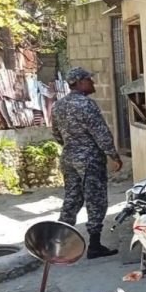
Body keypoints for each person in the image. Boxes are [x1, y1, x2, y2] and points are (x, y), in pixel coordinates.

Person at [50, 67, 122, 259]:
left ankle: (58, 245)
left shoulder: (57, 106)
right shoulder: (86, 104)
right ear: (79, 82)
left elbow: (56, 134)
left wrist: (72, 146)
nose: (93, 82)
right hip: (90, 159)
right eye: (89, 80)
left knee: (72, 198)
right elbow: (101, 133)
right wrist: (113, 155)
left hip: (68, 158)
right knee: (95, 199)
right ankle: (95, 245)